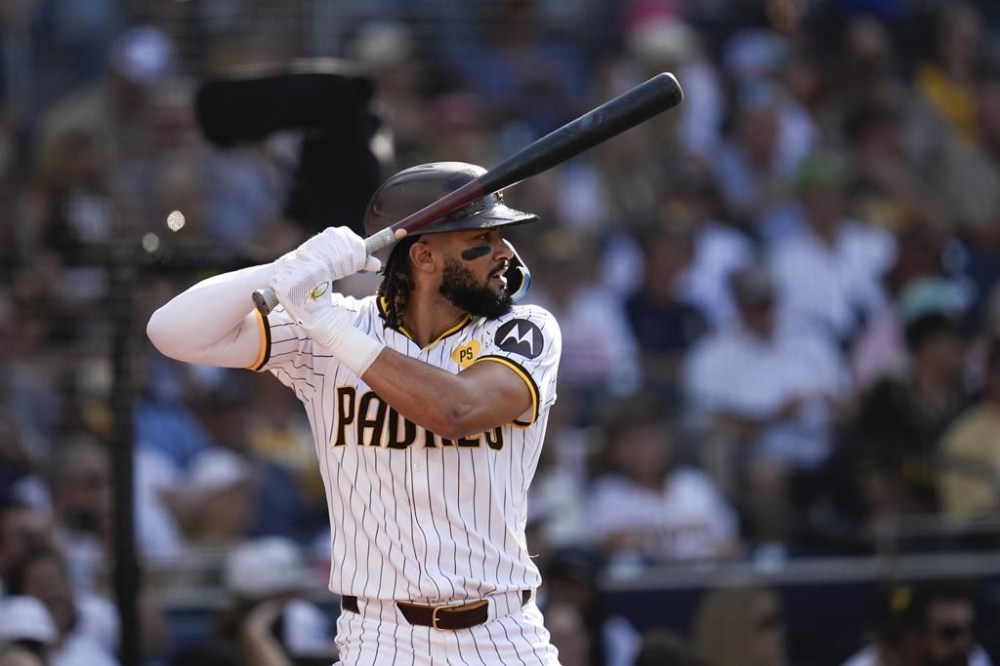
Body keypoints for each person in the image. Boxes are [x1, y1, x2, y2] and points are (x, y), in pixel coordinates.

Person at [147, 161, 563, 664]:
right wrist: (287, 269)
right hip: (378, 636)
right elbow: (170, 331)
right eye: (483, 239)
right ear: (424, 256)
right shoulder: (331, 326)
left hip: (501, 634)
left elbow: (457, 409)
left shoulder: (522, 329)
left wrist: (328, 325)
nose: (506, 253)